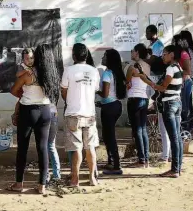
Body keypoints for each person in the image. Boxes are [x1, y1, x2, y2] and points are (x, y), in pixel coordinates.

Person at [8, 44, 59, 195]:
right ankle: (42, 185)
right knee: (43, 148)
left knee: (22, 148)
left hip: (28, 111)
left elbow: (14, 90)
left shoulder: (28, 74)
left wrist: (24, 96)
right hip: (45, 111)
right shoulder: (52, 74)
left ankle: (19, 184)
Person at [140, 45, 184, 178]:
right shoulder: (178, 67)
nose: (162, 56)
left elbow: (163, 87)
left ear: (171, 54)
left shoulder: (170, 68)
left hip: (169, 104)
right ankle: (177, 168)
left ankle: (175, 170)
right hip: (176, 102)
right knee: (177, 137)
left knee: (174, 138)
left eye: (164, 54)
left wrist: (150, 83)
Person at [61, 43, 100, 187]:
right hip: (89, 114)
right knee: (90, 147)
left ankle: (75, 180)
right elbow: (95, 90)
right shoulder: (94, 71)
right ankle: (92, 178)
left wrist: (70, 100)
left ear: (74, 55)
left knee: (76, 148)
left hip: (73, 114)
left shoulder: (68, 71)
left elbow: (63, 91)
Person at [97, 49, 126, 175]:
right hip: (115, 105)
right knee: (107, 135)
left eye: (104, 56)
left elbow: (105, 93)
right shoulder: (116, 73)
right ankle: (111, 161)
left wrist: (95, 90)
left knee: (110, 136)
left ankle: (116, 165)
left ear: (109, 59)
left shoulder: (107, 73)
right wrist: (101, 103)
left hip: (109, 107)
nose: (102, 58)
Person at [143, 25, 168, 162]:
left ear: (153, 33)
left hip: (157, 77)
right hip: (153, 76)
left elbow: (152, 60)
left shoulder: (158, 45)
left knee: (154, 100)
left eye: (148, 32)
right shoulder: (152, 44)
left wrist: (140, 61)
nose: (146, 34)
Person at [125, 44, 151, 167]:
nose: (131, 53)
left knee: (137, 130)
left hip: (134, 99)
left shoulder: (131, 67)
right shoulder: (147, 66)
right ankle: (146, 157)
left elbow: (128, 83)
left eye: (133, 51)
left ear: (137, 53)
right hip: (144, 98)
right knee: (143, 129)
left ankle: (141, 159)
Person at [173, 34, 193, 132]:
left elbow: (188, 71)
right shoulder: (177, 54)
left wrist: (175, 71)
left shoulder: (183, 54)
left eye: (174, 41)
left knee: (185, 107)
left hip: (186, 82)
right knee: (183, 106)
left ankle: (187, 129)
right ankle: (185, 128)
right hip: (181, 82)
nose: (172, 43)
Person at [180, 30, 193, 130]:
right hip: (191, 77)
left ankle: (188, 126)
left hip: (188, 78)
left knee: (186, 104)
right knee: (188, 104)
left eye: (182, 38)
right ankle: (189, 125)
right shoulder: (190, 50)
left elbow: (188, 68)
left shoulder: (187, 51)